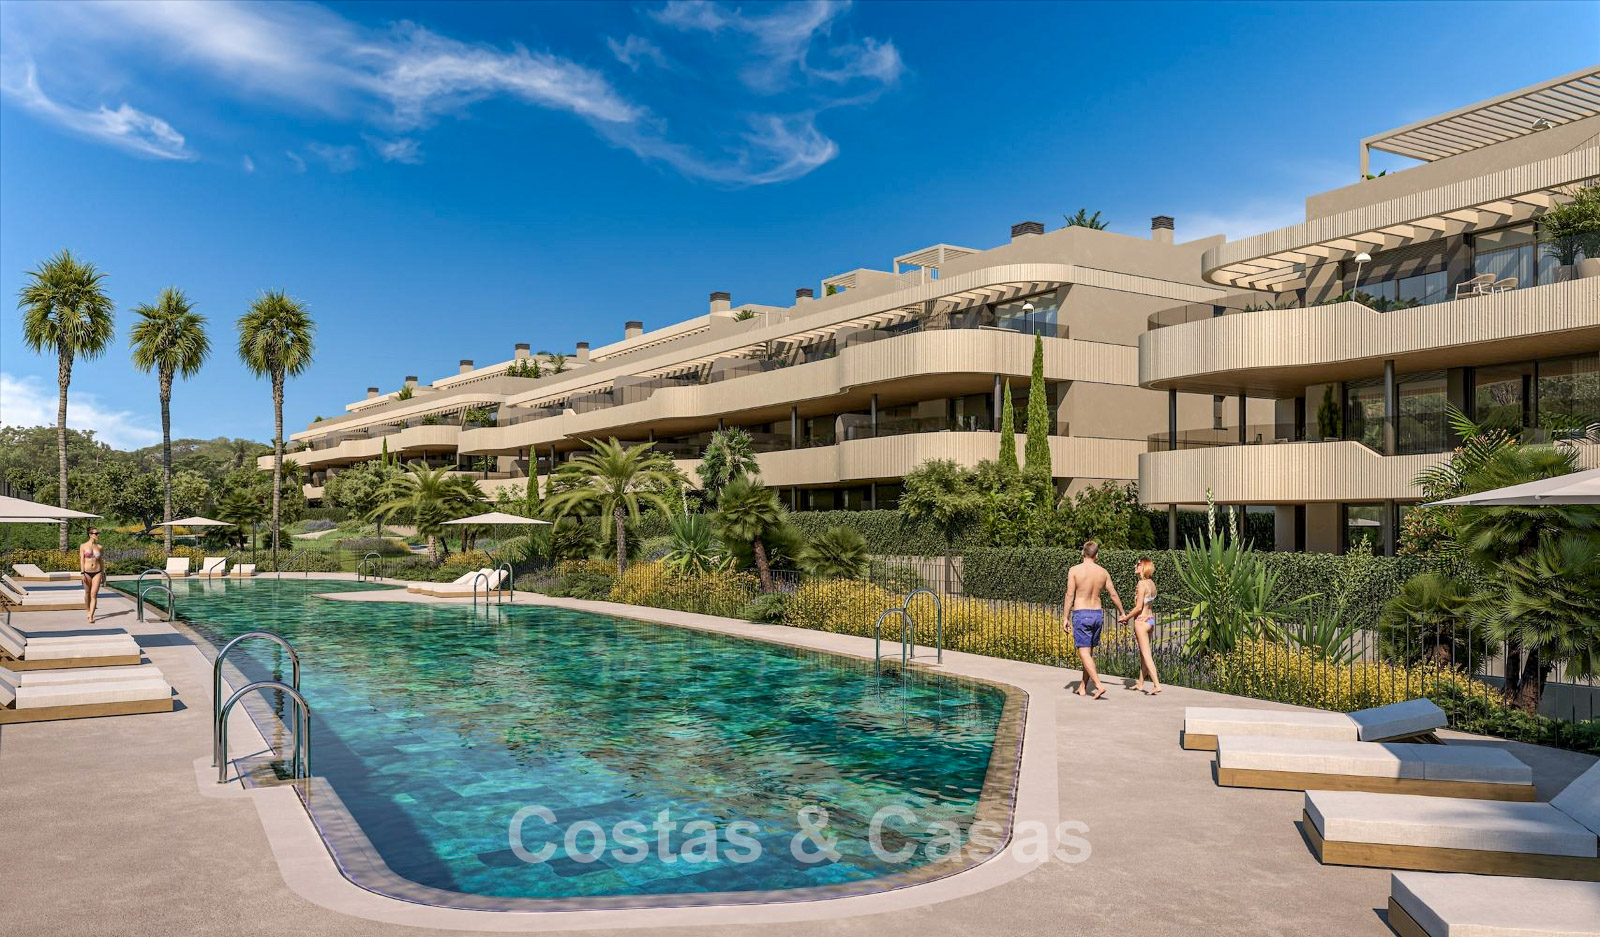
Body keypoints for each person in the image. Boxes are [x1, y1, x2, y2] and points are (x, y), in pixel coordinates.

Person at [1064, 540, 1123, 700]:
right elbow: (1113, 594)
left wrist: (1065, 617)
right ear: (1096, 555)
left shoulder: (1074, 570)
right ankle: (1083, 686)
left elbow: (1069, 595)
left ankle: (1098, 685)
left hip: (1082, 613)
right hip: (1097, 614)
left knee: (1084, 653)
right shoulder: (1103, 572)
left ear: (1083, 553)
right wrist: (1122, 612)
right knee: (1088, 653)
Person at [1118, 557, 1163, 695]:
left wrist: (1126, 617)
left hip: (1141, 622)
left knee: (1146, 655)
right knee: (1144, 654)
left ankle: (1156, 684)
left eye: (1137, 564)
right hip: (1150, 620)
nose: (1135, 566)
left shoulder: (1142, 584)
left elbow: (1138, 608)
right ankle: (1141, 683)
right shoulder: (1151, 583)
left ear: (1143, 567)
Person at [79, 527, 106, 623]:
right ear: (90, 534)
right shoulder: (83, 546)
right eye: (96, 533)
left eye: (98, 533)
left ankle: (91, 615)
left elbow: (101, 561)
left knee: (94, 594)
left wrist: (103, 573)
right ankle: (88, 610)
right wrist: (82, 573)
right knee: (87, 593)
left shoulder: (100, 547)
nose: (97, 535)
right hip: (86, 572)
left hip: (97, 572)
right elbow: (82, 560)